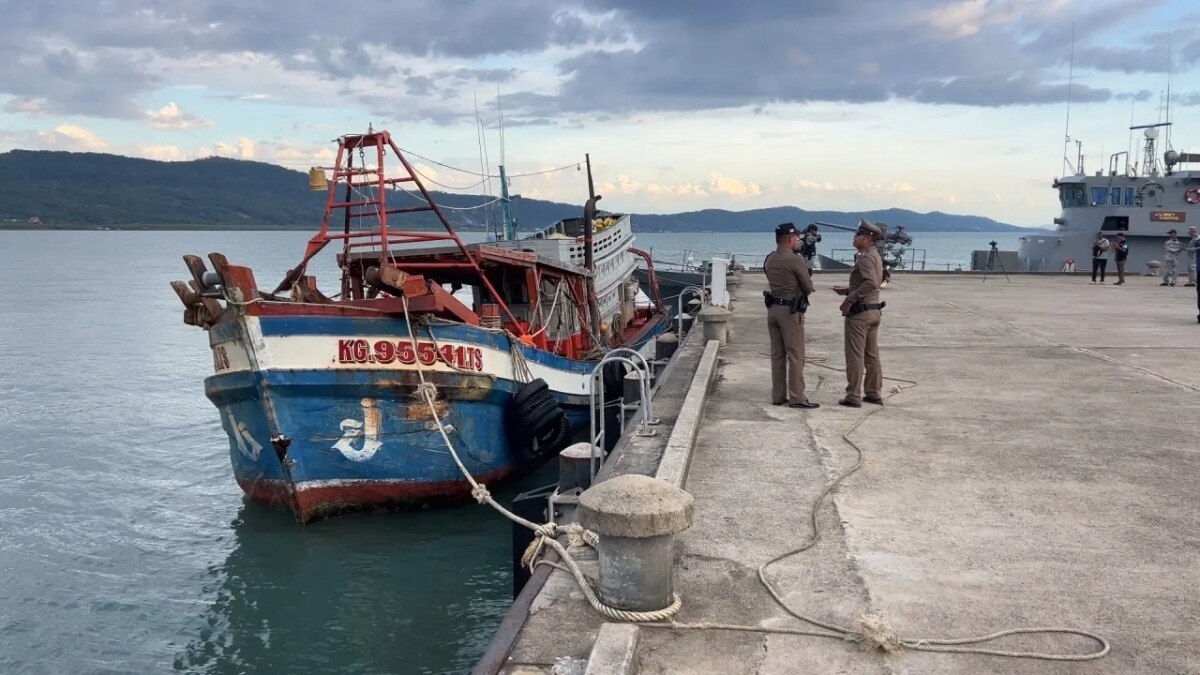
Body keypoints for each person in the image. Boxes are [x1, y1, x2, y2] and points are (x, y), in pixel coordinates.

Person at [763, 222, 818, 408]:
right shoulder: (795, 259)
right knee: (795, 355)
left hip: (773, 310)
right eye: (796, 238)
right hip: (790, 311)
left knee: (777, 355)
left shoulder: (769, 259)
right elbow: (808, 287)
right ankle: (797, 397)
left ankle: (778, 395)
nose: (798, 241)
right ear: (790, 239)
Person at [832, 219, 885, 408]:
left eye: (858, 235)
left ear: (869, 238)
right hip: (873, 311)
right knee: (871, 355)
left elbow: (871, 283)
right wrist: (848, 290)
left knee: (855, 355)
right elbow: (869, 284)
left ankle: (853, 395)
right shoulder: (874, 255)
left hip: (860, 314)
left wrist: (850, 298)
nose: (854, 238)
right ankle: (873, 392)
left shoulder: (865, 258)